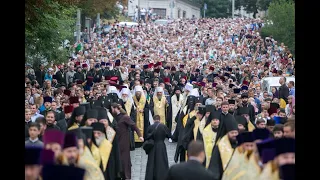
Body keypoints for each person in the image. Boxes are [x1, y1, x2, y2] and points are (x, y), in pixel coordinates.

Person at [111, 103, 144, 180]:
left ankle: (127, 176)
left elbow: (134, 126)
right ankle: (119, 175)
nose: (111, 110)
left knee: (125, 159)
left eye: (112, 108)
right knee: (118, 158)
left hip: (124, 141)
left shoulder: (125, 117)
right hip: (116, 141)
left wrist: (140, 136)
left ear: (116, 108)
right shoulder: (114, 117)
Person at [145, 115, 171, 180]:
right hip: (161, 145)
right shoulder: (163, 126)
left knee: (152, 162)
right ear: (160, 119)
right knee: (162, 162)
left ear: (153, 120)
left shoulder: (150, 127)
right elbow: (169, 135)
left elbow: (147, 136)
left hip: (153, 146)